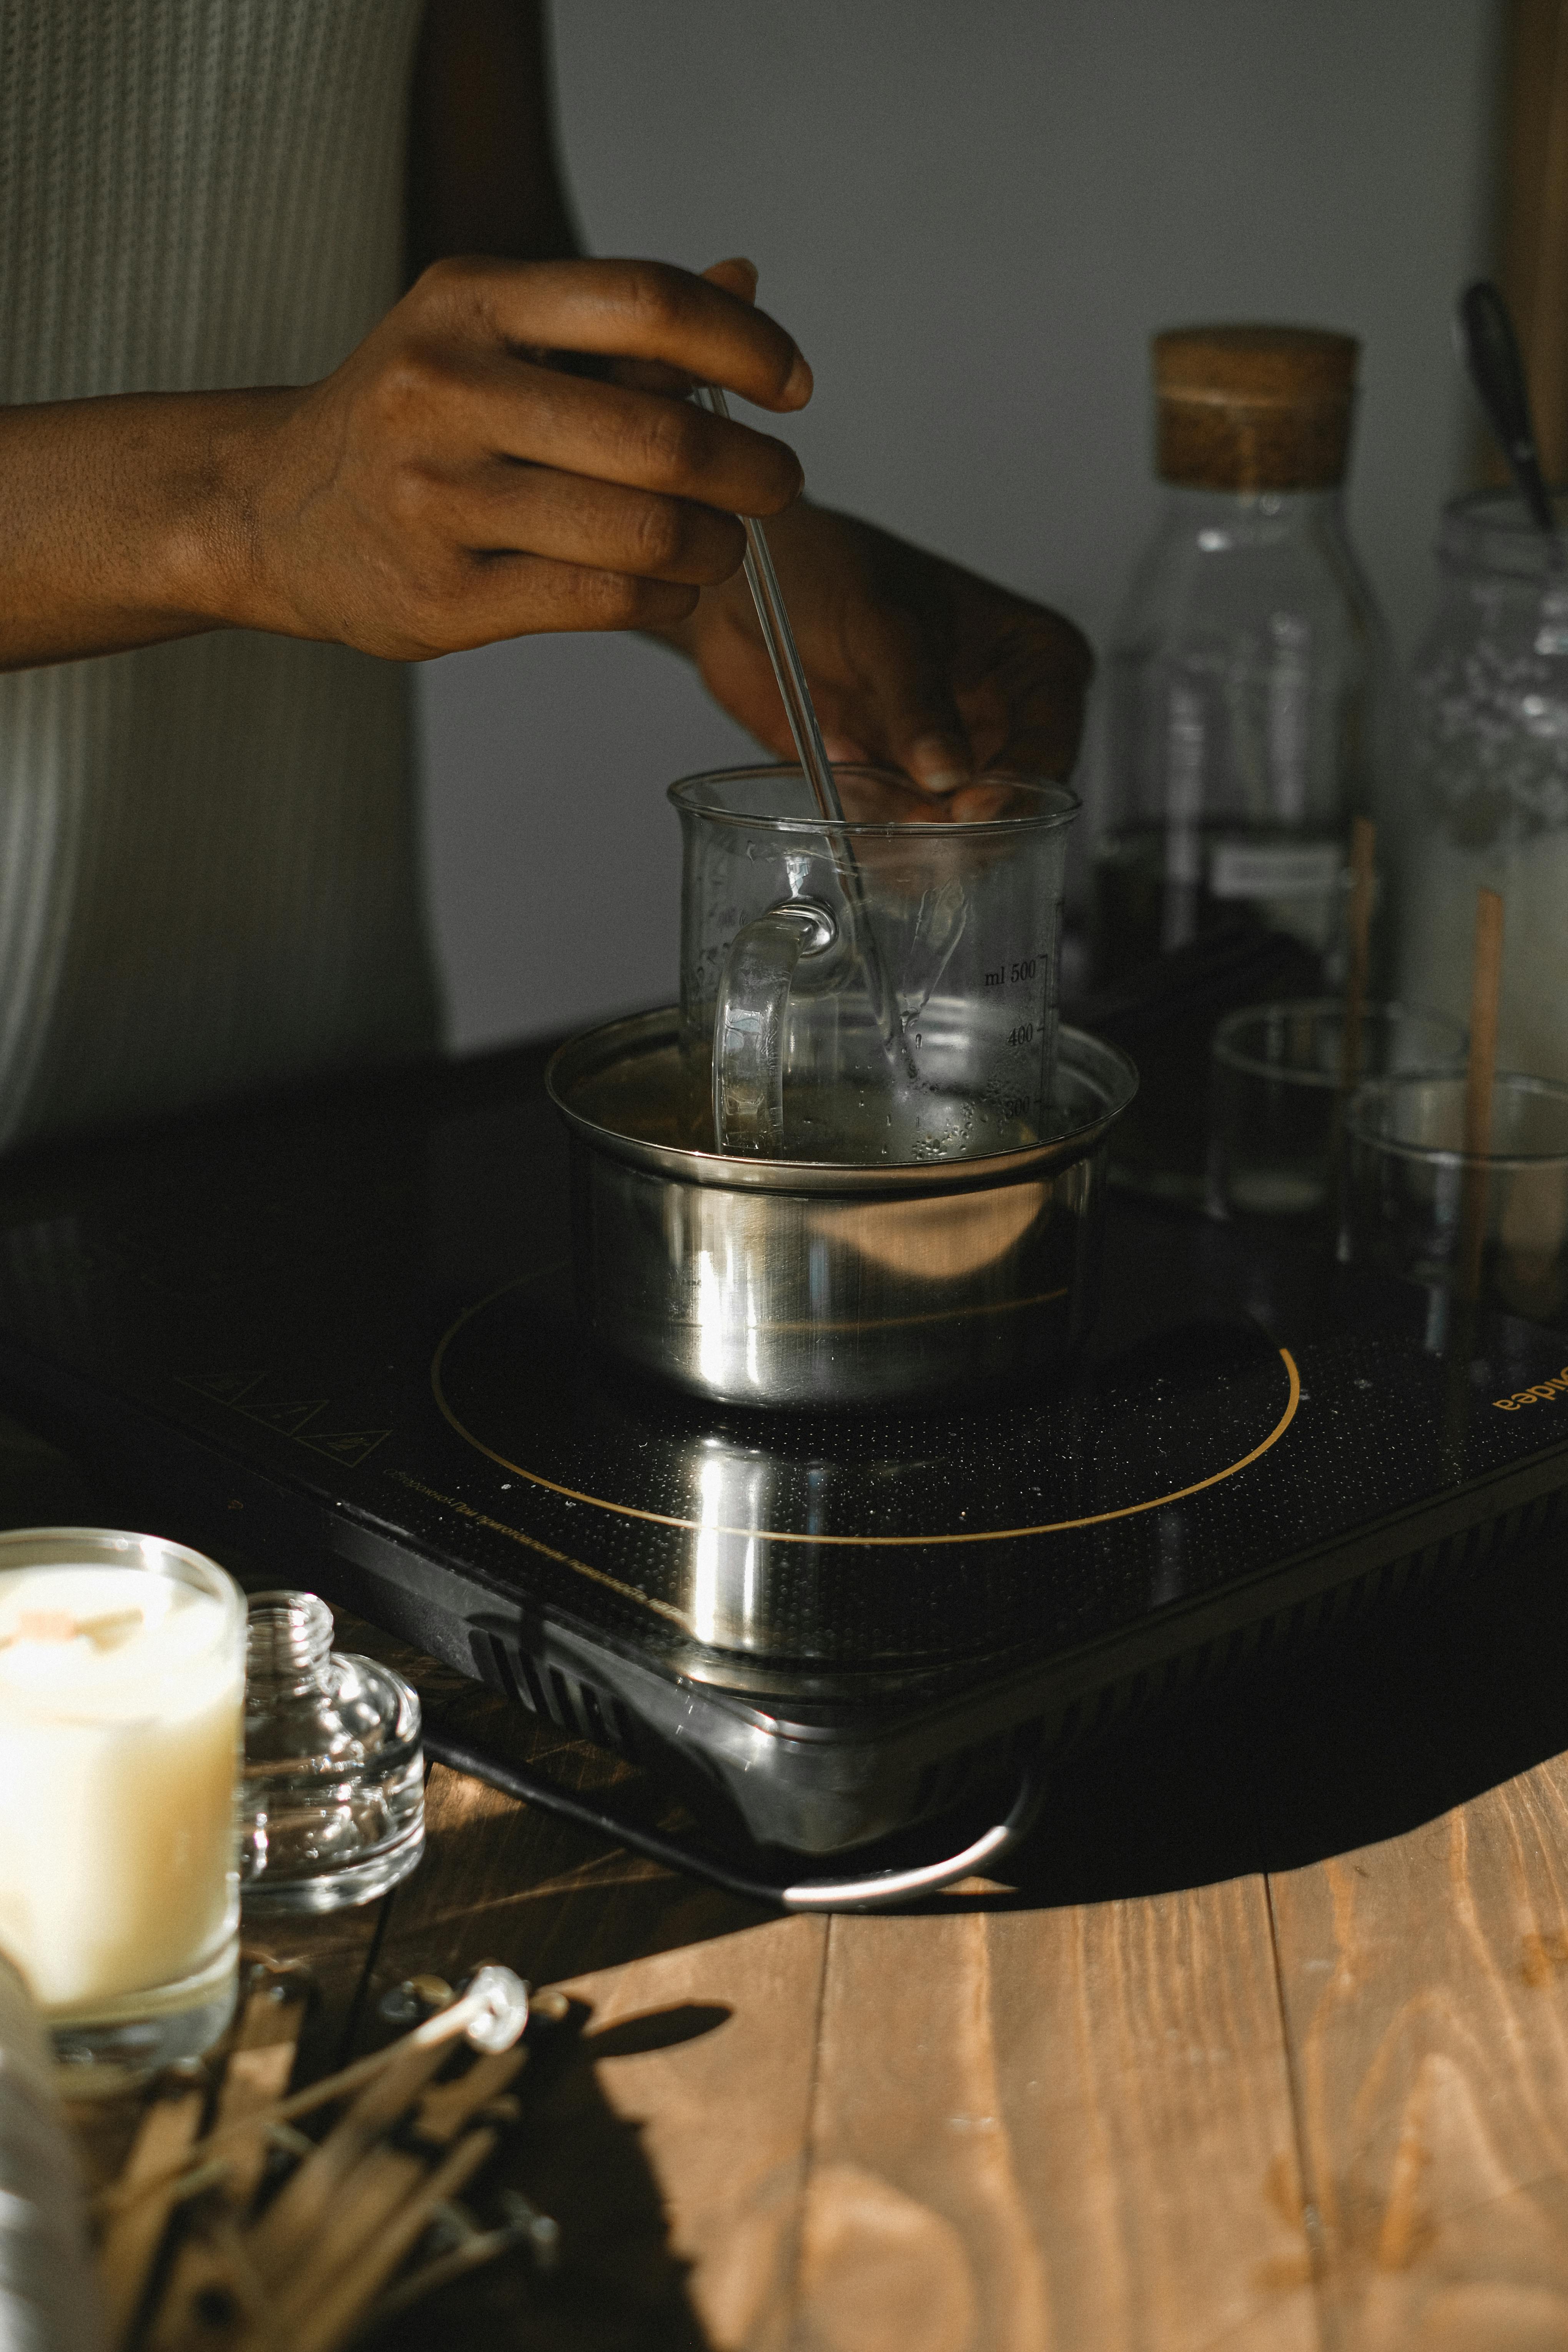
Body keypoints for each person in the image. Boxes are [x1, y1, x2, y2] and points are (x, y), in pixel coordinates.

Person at [0, 0, 1089, 1152]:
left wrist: (731, 560)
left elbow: (484, 278)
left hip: (322, 1074)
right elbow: (309, 473)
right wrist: (249, 507)